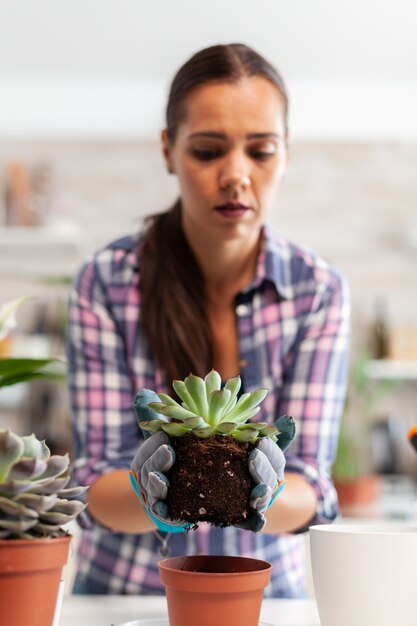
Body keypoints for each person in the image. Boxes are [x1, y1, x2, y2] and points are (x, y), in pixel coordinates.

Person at [67, 42, 350, 597]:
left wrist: (260, 493)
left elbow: (312, 483)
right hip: (126, 594)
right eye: (207, 151)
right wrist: (158, 496)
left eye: (261, 151)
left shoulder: (316, 290)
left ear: (285, 153)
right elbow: (93, 486)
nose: (236, 176)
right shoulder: (105, 283)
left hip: (266, 598)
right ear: (169, 150)